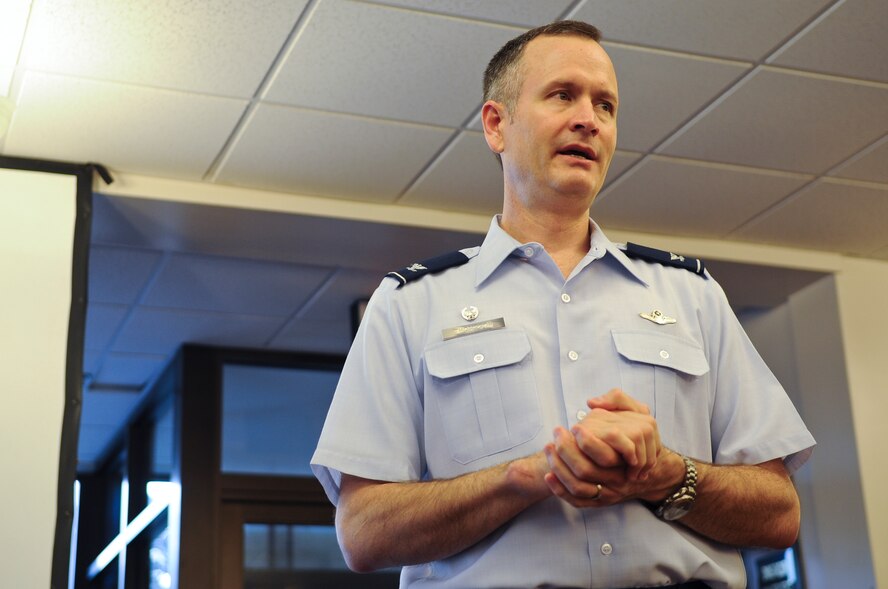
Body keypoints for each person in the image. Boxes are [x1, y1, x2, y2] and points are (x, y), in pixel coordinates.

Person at [311, 20, 815, 589]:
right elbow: (363, 532)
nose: (588, 119)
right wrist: (526, 478)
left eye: (606, 106)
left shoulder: (691, 295)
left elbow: (780, 513)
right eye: (562, 95)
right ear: (496, 125)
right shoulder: (409, 304)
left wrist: (664, 475)